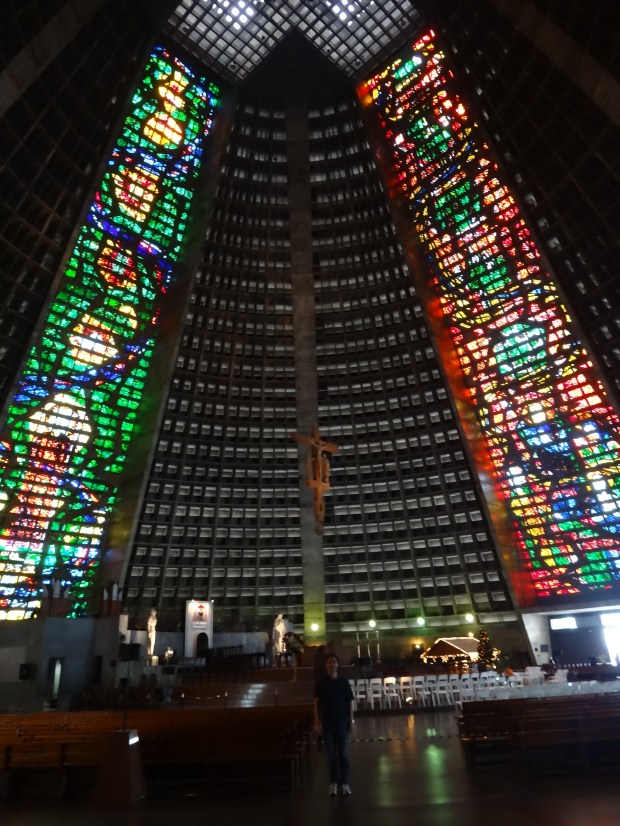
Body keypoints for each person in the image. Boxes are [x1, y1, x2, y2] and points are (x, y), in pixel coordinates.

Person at [313, 653, 354, 796]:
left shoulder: (343, 681)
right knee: (331, 756)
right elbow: (316, 703)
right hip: (327, 723)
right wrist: (317, 721)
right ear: (326, 665)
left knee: (343, 755)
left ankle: (345, 783)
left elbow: (349, 701)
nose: (332, 664)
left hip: (342, 722)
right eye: (329, 662)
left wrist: (351, 720)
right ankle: (333, 782)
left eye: (334, 662)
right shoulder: (321, 682)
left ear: (337, 664)